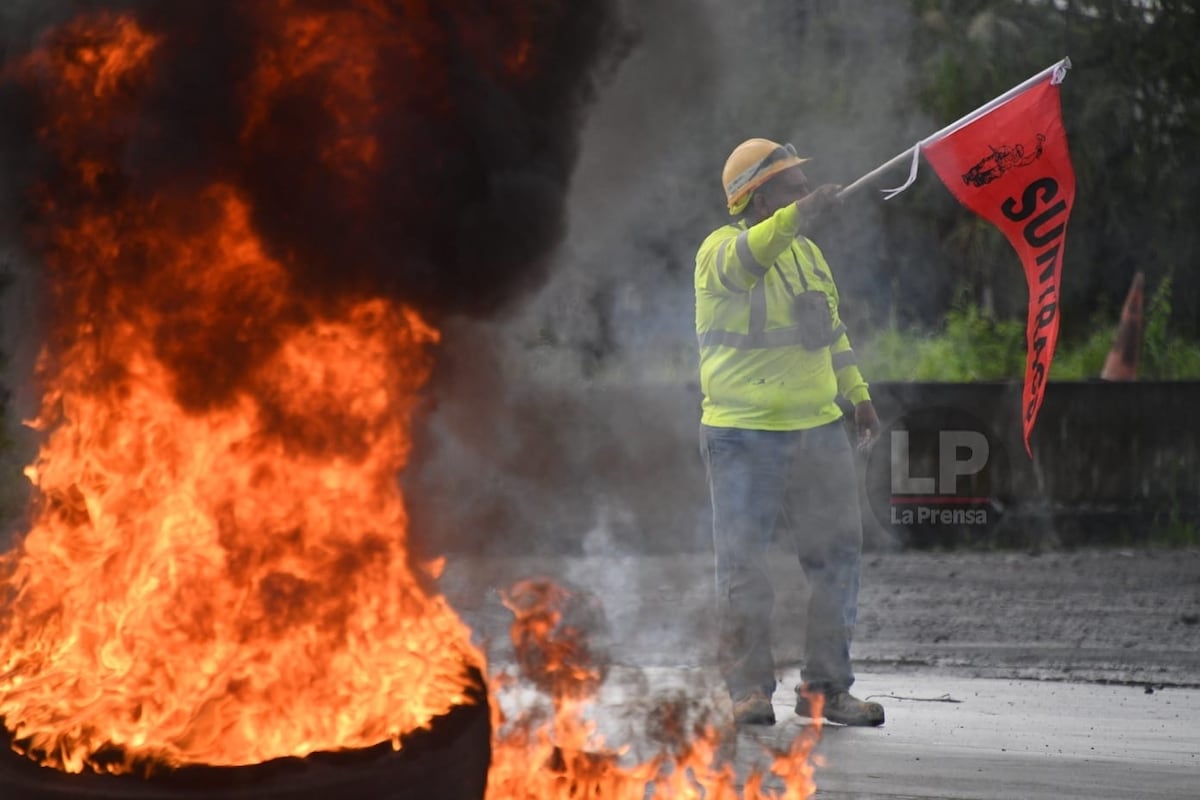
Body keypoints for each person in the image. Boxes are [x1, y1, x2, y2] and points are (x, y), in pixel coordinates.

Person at [694, 138, 885, 727]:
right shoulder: (719, 251)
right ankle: (748, 691)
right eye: (791, 184)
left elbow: (831, 332)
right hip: (741, 435)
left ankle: (826, 689)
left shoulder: (809, 256)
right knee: (743, 564)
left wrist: (858, 397)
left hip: (818, 430)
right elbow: (749, 260)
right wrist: (798, 217)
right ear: (756, 196)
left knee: (838, 558)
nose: (805, 191)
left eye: (803, 184)